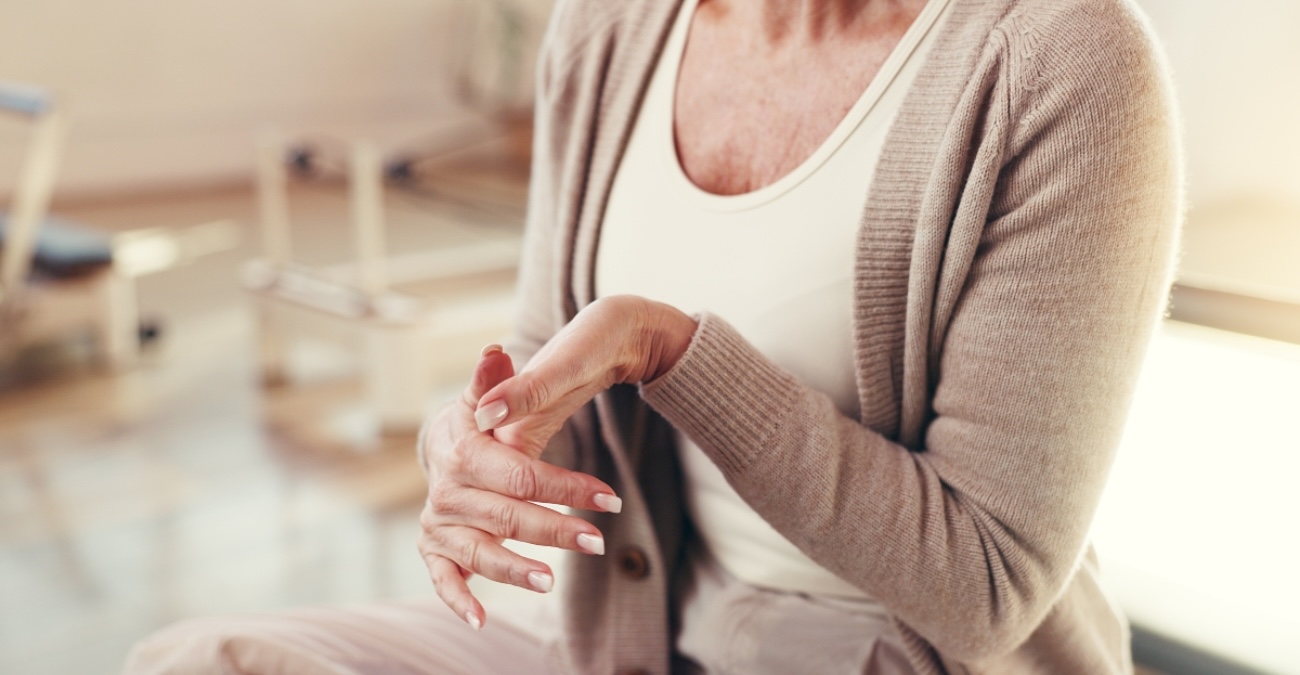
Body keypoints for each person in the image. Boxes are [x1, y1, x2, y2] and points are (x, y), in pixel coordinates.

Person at [125, 0, 1180, 672]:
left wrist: (673, 353)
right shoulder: (608, 25)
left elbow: (984, 585)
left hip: (885, 651)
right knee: (201, 660)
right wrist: (473, 450)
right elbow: (548, 388)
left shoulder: (1065, 61)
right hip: (617, 630)